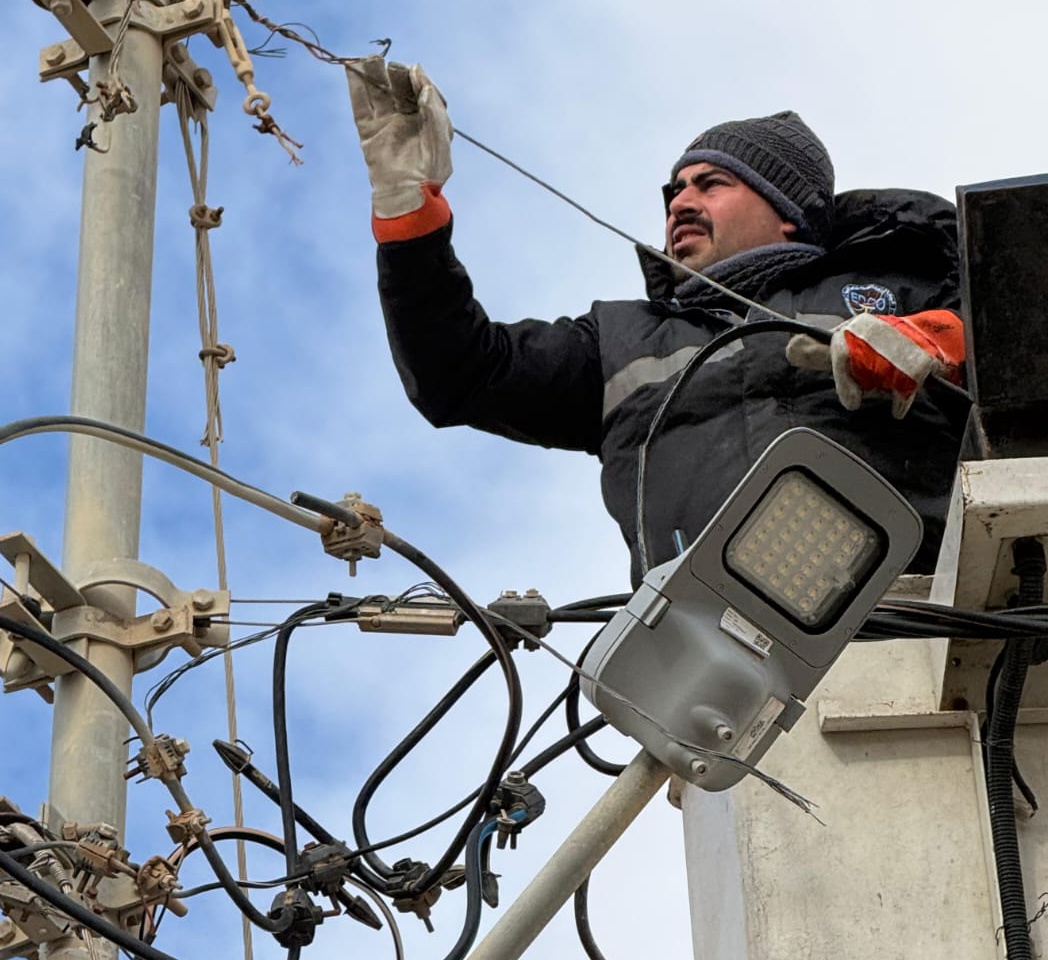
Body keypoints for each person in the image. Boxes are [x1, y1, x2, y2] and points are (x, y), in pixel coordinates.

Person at [346, 57, 967, 581]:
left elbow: (1026, 332)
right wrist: (408, 219)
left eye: (712, 183)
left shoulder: (904, 281)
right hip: (724, 673)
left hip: (935, 612)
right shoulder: (620, 343)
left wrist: (945, 338)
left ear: (789, 214)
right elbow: (459, 374)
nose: (682, 202)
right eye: (675, 191)